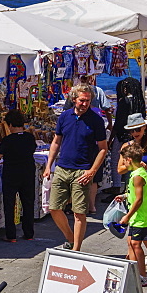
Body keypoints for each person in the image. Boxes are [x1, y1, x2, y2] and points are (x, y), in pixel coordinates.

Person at [43, 84, 109, 251]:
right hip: (63, 167)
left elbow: (103, 148)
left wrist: (92, 171)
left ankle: (76, 250)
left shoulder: (96, 120)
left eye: (88, 100)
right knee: (54, 208)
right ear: (74, 99)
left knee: (79, 213)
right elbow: (56, 141)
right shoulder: (64, 117)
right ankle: (70, 238)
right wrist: (48, 165)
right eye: (82, 100)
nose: (85, 104)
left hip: (82, 170)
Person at [0, 109, 37, 241]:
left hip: (11, 174)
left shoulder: (8, 140)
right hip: (28, 173)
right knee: (28, 203)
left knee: (9, 204)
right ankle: (29, 234)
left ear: (10, 125)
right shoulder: (30, 138)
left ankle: (11, 235)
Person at [116, 142, 147, 287]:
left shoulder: (138, 175)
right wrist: (125, 196)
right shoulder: (136, 173)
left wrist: (127, 216)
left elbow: (139, 200)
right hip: (138, 216)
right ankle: (134, 272)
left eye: (124, 160)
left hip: (141, 216)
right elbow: (135, 194)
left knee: (135, 244)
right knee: (130, 242)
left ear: (129, 160)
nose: (124, 163)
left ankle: (143, 276)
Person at [109, 77, 146, 192]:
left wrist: (111, 137)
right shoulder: (139, 100)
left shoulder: (124, 101)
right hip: (131, 136)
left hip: (122, 135)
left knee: (117, 160)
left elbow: (119, 121)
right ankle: (126, 187)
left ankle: (116, 186)